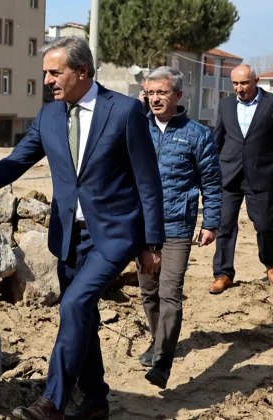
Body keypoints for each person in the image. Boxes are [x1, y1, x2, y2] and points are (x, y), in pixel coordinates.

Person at [0, 36, 165, 420]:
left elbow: (148, 180)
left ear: (81, 71)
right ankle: (97, 400)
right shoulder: (48, 116)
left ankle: (52, 401)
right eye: (45, 73)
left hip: (115, 233)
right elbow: (16, 161)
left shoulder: (125, 111)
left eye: (55, 72)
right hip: (69, 235)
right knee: (81, 315)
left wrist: (152, 242)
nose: (48, 80)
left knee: (74, 304)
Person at [135, 67, 221, 389]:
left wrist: (210, 222)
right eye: (150, 92)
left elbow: (212, 183)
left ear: (178, 96)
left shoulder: (198, 135)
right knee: (149, 291)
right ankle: (158, 341)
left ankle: (162, 361)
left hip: (178, 226)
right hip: (142, 227)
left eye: (162, 92)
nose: (155, 98)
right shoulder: (137, 128)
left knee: (170, 291)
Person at [211, 64, 273, 293]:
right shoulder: (226, 104)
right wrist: (213, 168)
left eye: (244, 83)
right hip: (229, 175)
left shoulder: (271, 103)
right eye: (235, 83)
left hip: (262, 174)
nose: (239, 88)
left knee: (266, 225)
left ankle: (270, 264)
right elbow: (218, 138)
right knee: (225, 225)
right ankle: (223, 273)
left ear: (255, 80)